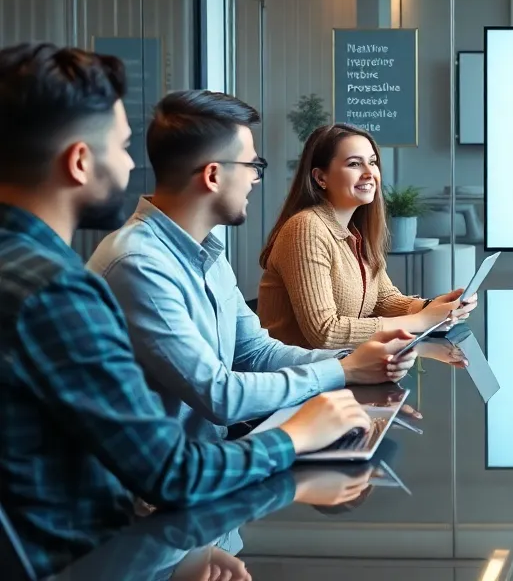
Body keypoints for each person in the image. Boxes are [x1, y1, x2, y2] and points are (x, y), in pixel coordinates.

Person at [0, 43, 369, 579]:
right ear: (79, 162)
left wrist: (175, 561)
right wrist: (296, 436)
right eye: (122, 147)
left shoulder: (25, 270)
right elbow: (172, 470)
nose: (132, 164)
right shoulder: (59, 292)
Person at [87, 90, 421, 444]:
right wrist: (344, 370)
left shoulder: (205, 253)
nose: (255, 180)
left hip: (215, 453)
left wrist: (355, 360)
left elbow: (257, 352)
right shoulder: (139, 264)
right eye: (252, 166)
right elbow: (220, 395)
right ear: (213, 175)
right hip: (176, 471)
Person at [259, 123, 474, 348]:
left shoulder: (354, 231)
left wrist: (432, 306)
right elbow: (325, 333)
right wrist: (421, 320)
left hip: (343, 364)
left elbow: (383, 299)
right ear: (321, 177)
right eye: (354, 164)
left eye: (372, 162)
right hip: (298, 369)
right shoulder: (306, 228)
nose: (370, 173)